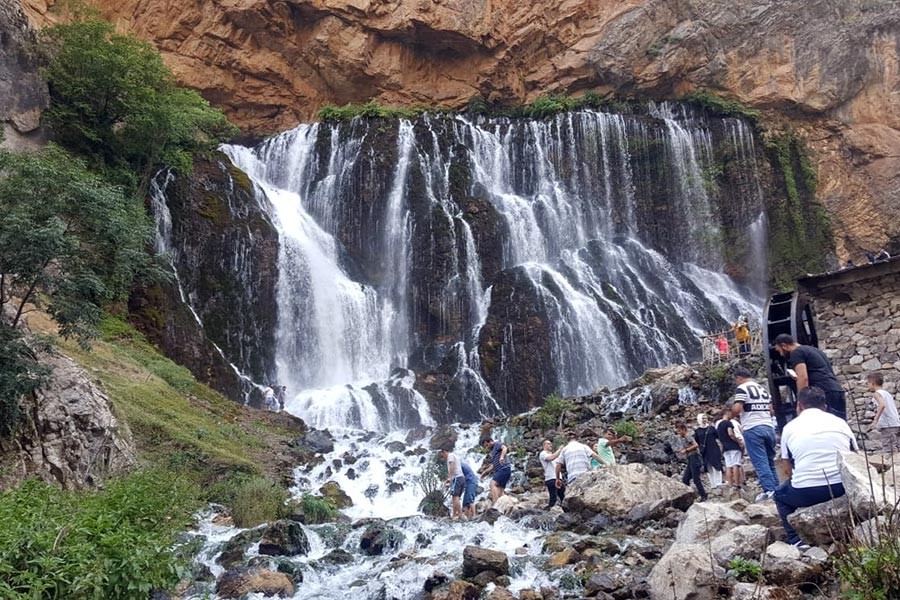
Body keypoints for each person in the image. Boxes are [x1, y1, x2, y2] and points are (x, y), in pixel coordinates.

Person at [774, 387, 859, 549]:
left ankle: (796, 540)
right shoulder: (840, 422)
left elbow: (786, 469)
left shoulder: (789, 427)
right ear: (824, 406)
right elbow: (855, 457)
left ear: (799, 406)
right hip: (841, 487)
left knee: (779, 495)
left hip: (806, 492)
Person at [774, 334, 846, 420]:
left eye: (780, 351)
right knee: (839, 423)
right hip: (837, 390)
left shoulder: (796, 352)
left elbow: (803, 377)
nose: (781, 354)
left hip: (823, 392)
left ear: (784, 346)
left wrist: (801, 402)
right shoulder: (815, 350)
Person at [732, 366, 778, 501]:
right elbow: (771, 410)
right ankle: (777, 489)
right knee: (770, 461)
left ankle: (770, 491)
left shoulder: (742, 388)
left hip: (753, 428)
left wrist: (734, 412)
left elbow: (737, 408)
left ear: (739, 378)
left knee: (760, 462)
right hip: (769, 427)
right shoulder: (762, 389)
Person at [867, 372, 900, 452]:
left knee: (889, 450)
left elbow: (882, 405)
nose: (867, 385)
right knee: (895, 448)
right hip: (895, 424)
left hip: (888, 426)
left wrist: (875, 420)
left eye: (868, 383)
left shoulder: (877, 394)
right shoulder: (886, 393)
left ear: (872, 383)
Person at [675, 422, 707, 502]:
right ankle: (688, 496)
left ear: (683, 430)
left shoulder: (687, 436)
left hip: (694, 457)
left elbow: (695, 445)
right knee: (685, 478)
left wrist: (685, 450)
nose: (678, 433)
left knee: (696, 478)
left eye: (679, 431)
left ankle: (703, 495)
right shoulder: (684, 437)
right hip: (690, 458)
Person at [716, 407, 745, 489]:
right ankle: (737, 483)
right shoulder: (728, 423)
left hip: (725, 448)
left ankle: (730, 484)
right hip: (733, 446)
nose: (732, 415)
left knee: (728, 466)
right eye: (730, 413)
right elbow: (731, 434)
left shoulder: (719, 425)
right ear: (727, 413)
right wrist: (739, 442)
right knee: (736, 464)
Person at [695, 414, 724, 488]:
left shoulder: (711, 428)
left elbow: (718, 437)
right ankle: (713, 484)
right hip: (705, 451)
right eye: (703, 418)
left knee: (717, 465)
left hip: (714, 449)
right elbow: (696, 442)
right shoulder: (697, 431)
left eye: (705, 418)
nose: (704, 420)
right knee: (708, 467)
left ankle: (719, 482)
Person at [479, 437, 512, 502]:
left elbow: (505, 448)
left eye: (487, 445)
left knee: (492, 484)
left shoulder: (497, 444)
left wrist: (502, 457)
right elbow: (494, 466)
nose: (486, 447)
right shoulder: (493, 451)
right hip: (504, 470)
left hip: (503, 468)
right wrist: (485, 472)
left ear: (491, 441)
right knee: (500, 492)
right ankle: (507, 505)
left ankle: (496, 505)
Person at [539, 439, 564, 509]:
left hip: (558, 478)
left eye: (551, 443)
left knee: (563, 496)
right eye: (548, 443)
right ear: (544, 445)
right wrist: (560, 449)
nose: (551, 445)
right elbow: (551, 458)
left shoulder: (553, 454)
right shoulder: (543, 453)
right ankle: (550, 512)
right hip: (551, 478)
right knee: (553, 497)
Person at [441, 448, 466, 519]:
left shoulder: (450, 456)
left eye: (442, 454)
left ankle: (461, 514)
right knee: (455, 496)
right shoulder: (455, 455)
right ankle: (455, 514)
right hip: (461, 478)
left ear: (444, 451)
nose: (442, 456)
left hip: (457, 478)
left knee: (455, 496)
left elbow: (452, 465)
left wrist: (450, 478)